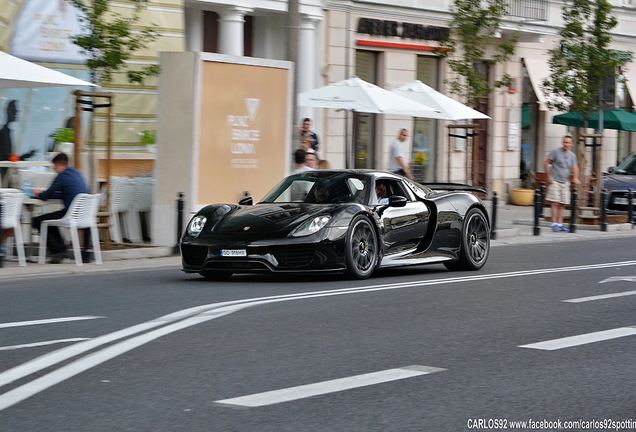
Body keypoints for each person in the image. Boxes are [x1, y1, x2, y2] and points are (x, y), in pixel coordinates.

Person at [32, 152, 90, 263]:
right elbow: (65, 193)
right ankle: (77, 251)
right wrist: (44, 193)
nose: (54, 170)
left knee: (38, 221)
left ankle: (58, 251)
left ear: (58, 165)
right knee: (49, 220)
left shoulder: (62, 176)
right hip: (84, 214)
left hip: (71, 215)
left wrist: (38, 194)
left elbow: (46, 196)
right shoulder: (77, 173)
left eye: (54, 167)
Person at [544, 135, 580, 232]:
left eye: (568, 142)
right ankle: (554, 223)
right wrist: (548, 176)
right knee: (555, 202)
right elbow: (546, 162)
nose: (566, 144)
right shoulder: (555, 151)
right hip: (555, 180)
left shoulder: (572, 155)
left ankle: (560, 223)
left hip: (565, 181)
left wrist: (575, 178)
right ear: (562, 143)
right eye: (565, 142)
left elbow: (575, 167)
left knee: (563, 203)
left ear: (571, 144)